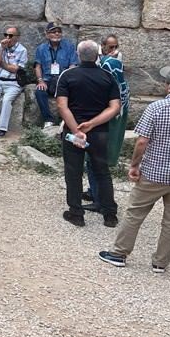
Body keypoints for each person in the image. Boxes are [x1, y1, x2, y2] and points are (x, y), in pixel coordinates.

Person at [99, 67, 170, 273]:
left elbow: (142, 142)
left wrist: (134, 165)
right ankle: (160, 263)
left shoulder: (156, 108)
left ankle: (119, 254)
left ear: (169, 86)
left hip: (154, 173)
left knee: (135, 213)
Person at [56, 40, 121, 228]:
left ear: (77, 54)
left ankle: (76, 213)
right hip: (99, 131)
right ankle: (109, 213)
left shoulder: (67, 76)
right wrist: (92, 124)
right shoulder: (107, 77)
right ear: (97, 55)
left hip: (73, 130)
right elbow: (115, 107)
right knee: (102, 171)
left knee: (73, 171)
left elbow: (62, 105)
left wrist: (77, 129)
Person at [83, 33, 131, 211]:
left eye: (116, 46)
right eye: (110, 47)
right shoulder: (110, 65)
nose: (114, 50)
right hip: (106, 119)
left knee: (95, 161)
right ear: (102, 46)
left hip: (104, 123)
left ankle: (99, 200)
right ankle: (93, 191)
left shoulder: (110, 66)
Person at [33, 22, 78, 127]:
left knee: (73, 90)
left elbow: (73, 65)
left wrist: (67, 78)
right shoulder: (41, 48)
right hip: (48, 79)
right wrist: (40, 80)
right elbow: (38, 66)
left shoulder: (69, 46)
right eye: (53, 32)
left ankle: (66, 120)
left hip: (63, 79)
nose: (57, 34)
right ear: (47, 34)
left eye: (59, 31)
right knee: (39, 91)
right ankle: (48, 120)